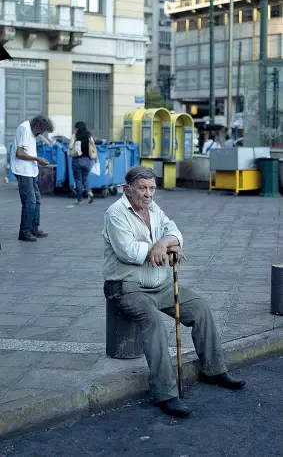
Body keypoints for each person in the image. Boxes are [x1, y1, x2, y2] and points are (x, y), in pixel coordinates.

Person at [103, 166, 246, 419]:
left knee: (200, 307)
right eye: (142, 188)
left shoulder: (154, 209)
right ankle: (165, 393)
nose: (148, 194)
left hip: (160, 285)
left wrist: (165, 242)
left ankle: (214, 369)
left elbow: (175, 231)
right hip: (127, 287)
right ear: (128, 189)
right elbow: (129, 252)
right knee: (153, 322)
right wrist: (164, 246)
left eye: (152, 188)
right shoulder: (115, 213)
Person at [10, 115, 54, 242]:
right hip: (23, 170)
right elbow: (20, 153)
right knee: (30, 201)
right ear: (37, 125)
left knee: (37, 199)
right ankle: (24, 232)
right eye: (42, 130)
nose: (42, 133)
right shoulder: (25, 129)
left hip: (30, 170)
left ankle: (34, 228)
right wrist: (37, 159)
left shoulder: (32, 131)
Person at [69, 121, 97, 205]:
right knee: (85, 178)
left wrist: (73, 138)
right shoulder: (89, 135)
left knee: (78, 180)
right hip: (87, 161)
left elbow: (70, 146)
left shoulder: (75, 135)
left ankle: (79, 199)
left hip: (77, 160)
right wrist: (96, 158)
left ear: (77, 128)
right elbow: (93, 147)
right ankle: (89, 191)